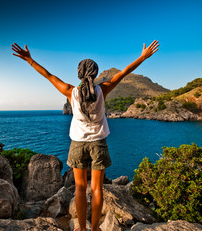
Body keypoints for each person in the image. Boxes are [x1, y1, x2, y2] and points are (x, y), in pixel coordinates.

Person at [11, 40, 159, 231]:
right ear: (95, 73)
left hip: (78, 144)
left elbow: (48, 75)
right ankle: (95, 227)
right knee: (97, 189)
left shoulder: (70, 92)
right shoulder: (103, 89)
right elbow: (124, 72)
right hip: (99, 143)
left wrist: (29, 60)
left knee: (80, 189)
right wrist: (142, 57)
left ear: (79, 74)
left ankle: (81, 228)